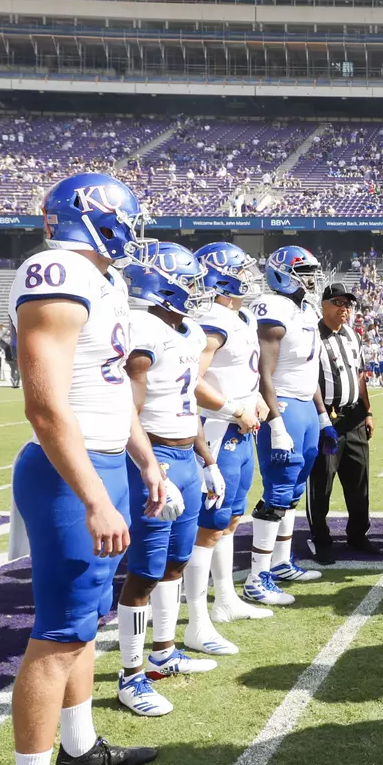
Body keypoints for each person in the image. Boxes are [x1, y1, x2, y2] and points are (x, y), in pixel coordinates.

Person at [1, 172, 162, 765]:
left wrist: (146, 462)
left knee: (86, 622)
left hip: (104, 462)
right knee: (59, 634)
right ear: (95, 214)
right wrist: (95, 494)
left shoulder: (102, 281)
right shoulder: (56, 272)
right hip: (72, 475)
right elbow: (44, 405)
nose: (135, 227)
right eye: (128, 215)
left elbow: (108, 392)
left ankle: (79, 743)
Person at [113, 241, 220, 718]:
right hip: (154, 455)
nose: (195, 291)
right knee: (145, 570)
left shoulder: (180, 330)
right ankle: (130, 675)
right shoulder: (142, 331)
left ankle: (162, 651)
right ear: (162, 282)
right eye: (188, 281)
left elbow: (186, 403)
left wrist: (205, 457)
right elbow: (129, 410)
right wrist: (150, 468)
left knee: (176, 560)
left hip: (183, 454)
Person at [239, 245, 333, 607]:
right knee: (278, 490)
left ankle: (279, 563)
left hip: (305, 406)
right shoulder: (273, 307)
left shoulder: (303, 308)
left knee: (294, 491)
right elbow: (264, 371)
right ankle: (256, 577)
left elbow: (310, 374)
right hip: (285, 407)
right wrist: (275, 421)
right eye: (303, 270)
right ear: (282, 272)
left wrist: (323, 416)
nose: (310, 277)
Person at [189, 242, 269, 639]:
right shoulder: (212, 319)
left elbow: (241, 373)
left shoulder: (243, 318)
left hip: (241, 428)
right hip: (219, 431)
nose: (249, 277)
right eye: (241, 270)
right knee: (210, 525)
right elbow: (191, 381)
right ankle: (199, 616)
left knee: (232, 518)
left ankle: (225, 599)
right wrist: (235, 409)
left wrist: (253, 399)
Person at [306, 282, 374, 560]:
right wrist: (322, 417)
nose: (344, 308)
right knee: (322, 482)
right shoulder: (311, 336)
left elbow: (360, 376)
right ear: (324, 305)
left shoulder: (352, 335)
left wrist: (368, 411)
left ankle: (358, 535)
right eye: (338, 302)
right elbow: (308, 380)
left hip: (354, 415)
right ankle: (321, 540)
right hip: (326, 418)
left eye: (348, 303)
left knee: (359, 481)